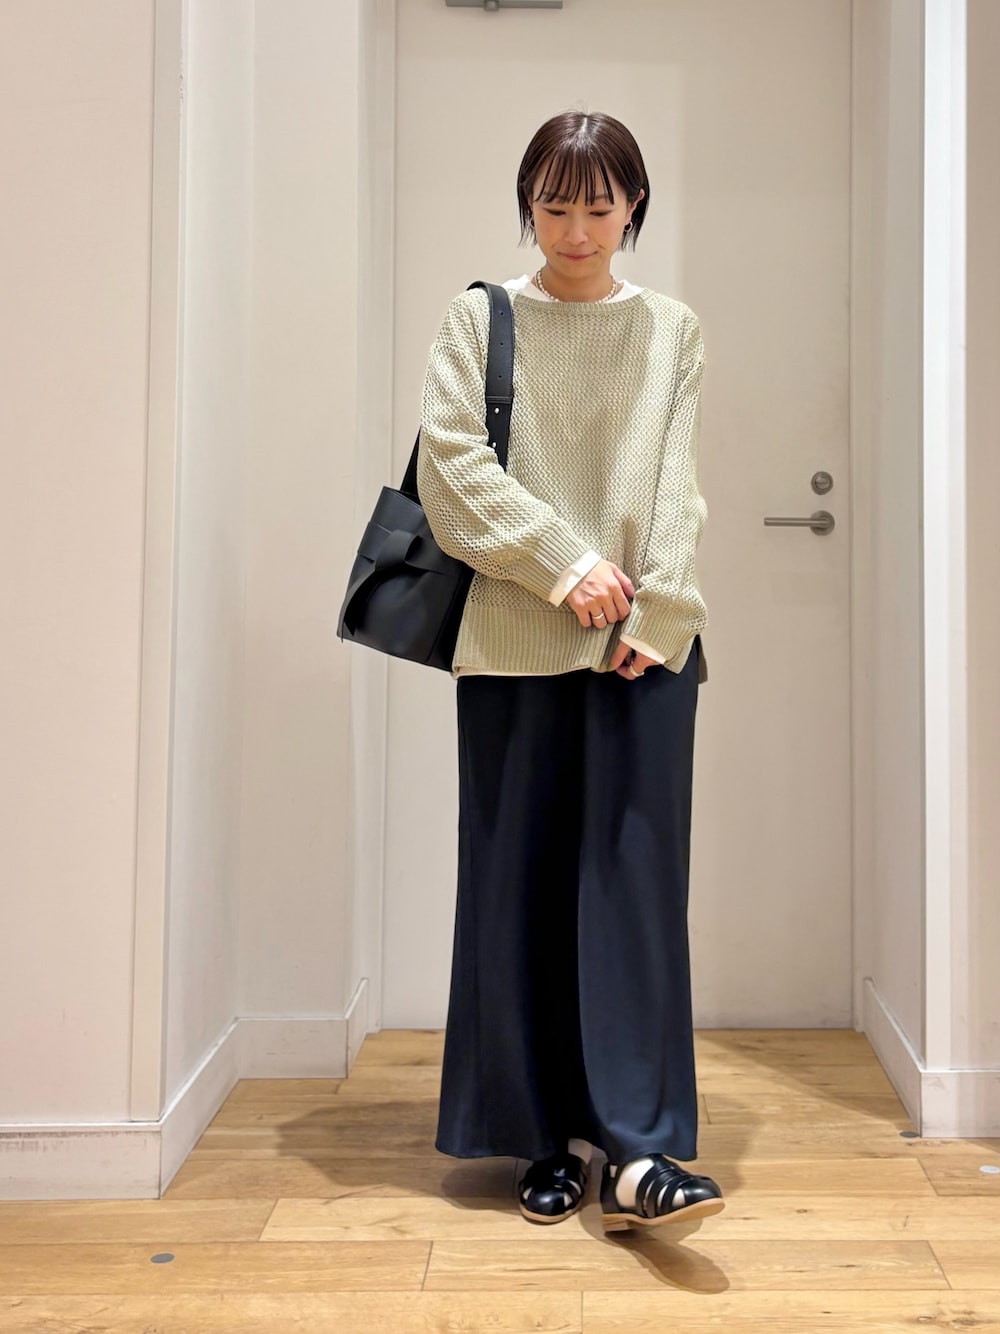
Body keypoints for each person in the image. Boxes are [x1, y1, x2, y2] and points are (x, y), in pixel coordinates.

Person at [416, 110, 724, 1232]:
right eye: (555, 205)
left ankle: (638, 1148)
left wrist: (664, 606)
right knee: (518, 884)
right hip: (515, 641)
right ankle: (540, 1137)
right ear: (527, 206)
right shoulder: (479, 319)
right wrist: (568, 565)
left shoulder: (671, 328)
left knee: (634, 893)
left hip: (644, 647)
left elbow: (678, 481)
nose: (578, 229)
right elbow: (452, 473)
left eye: (599, 206)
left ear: (633, 205)